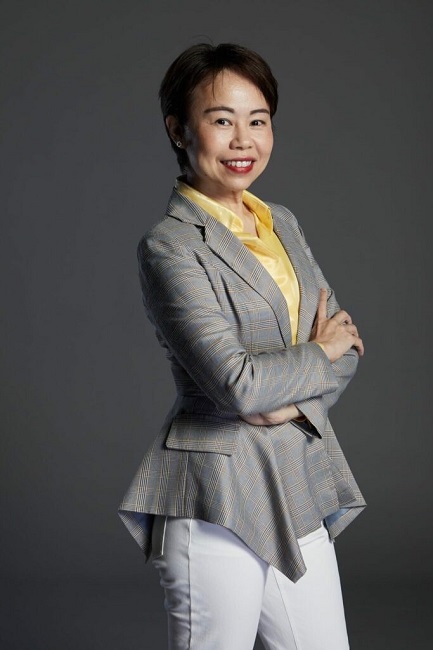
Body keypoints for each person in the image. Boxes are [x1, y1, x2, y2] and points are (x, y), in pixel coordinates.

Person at [119, 42, 366, 650]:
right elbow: (239, 385)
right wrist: (315, 358)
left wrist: (287, 404)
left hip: (295, 480)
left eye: (258, 120)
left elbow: (347, 343)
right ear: (178, 130)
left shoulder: (283, 222)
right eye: (221, 120)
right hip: (215, 492)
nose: (243, 140)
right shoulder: (169, 246)